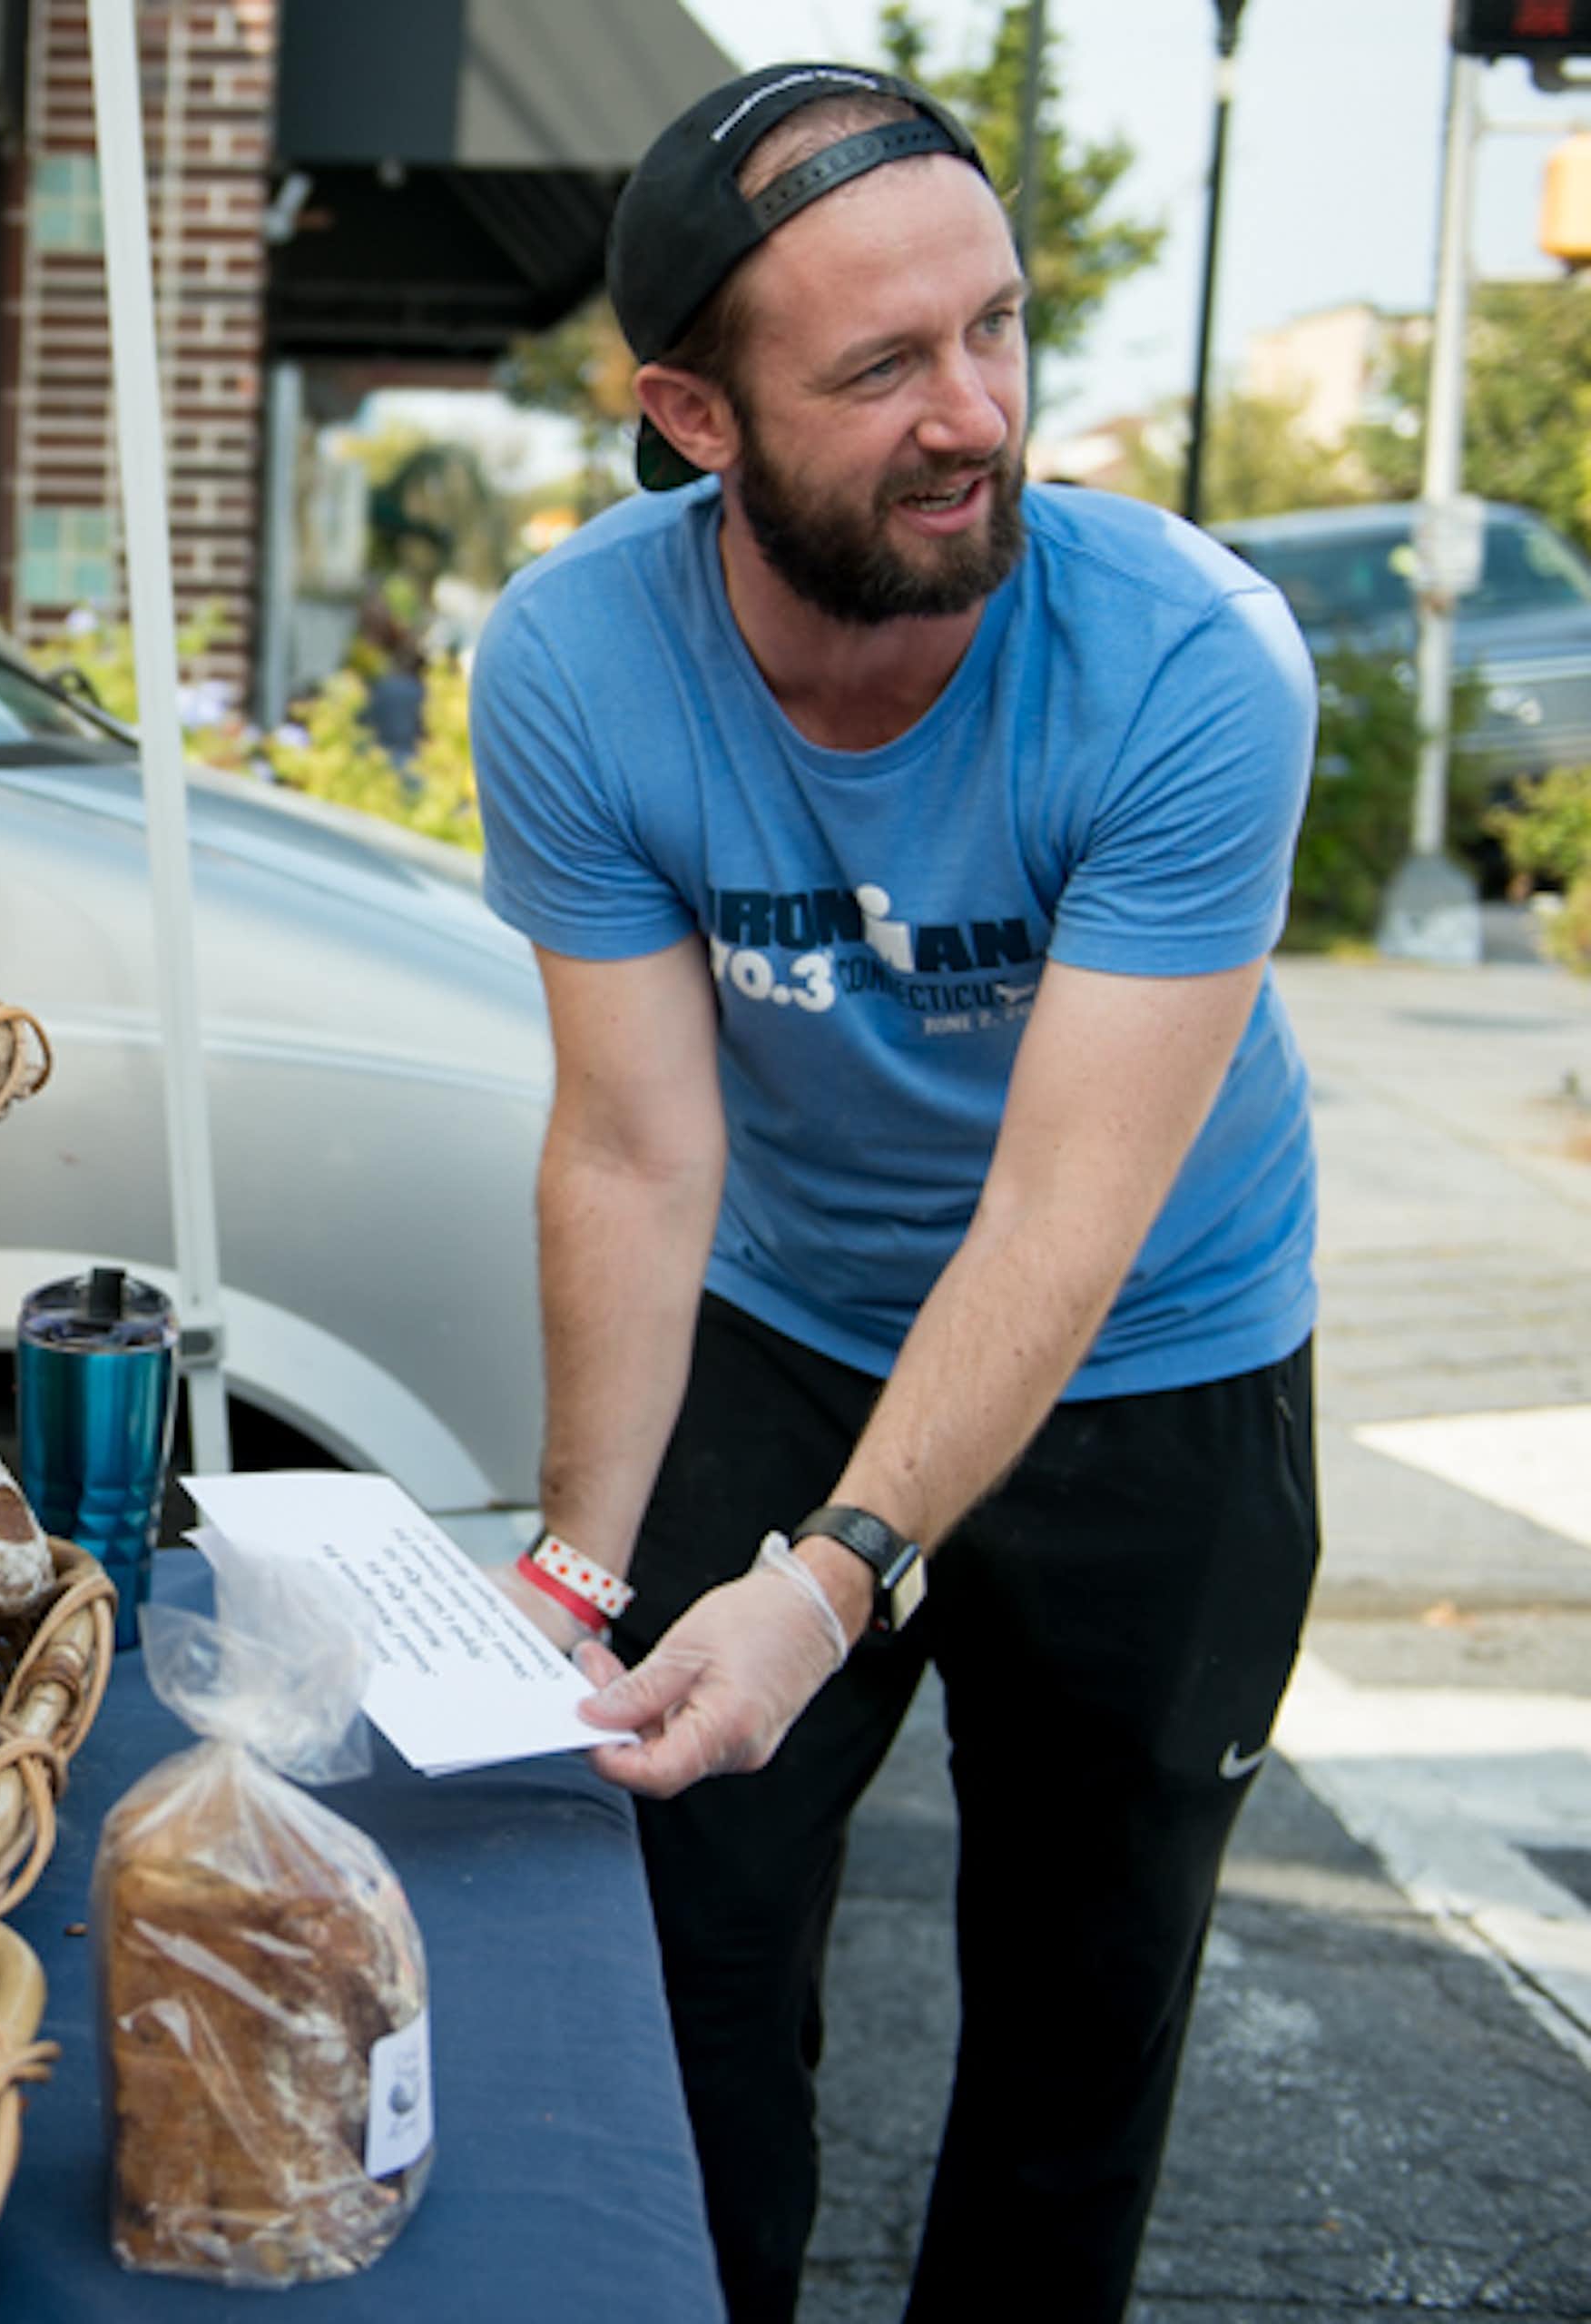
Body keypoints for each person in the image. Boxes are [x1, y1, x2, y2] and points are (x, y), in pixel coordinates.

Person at [470, 63, 1321, 2324]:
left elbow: (1061, 1205)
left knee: (1075, 2015)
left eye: (995, 328)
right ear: (690, 414)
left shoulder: (1189, 660)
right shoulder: (568, 658)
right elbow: (641, 1146)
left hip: (1155, 1353)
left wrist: (839, 1573)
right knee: (683, 1928)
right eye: (876, 368)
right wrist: (578, 1558)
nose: (975, 415)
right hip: (791, 1311)